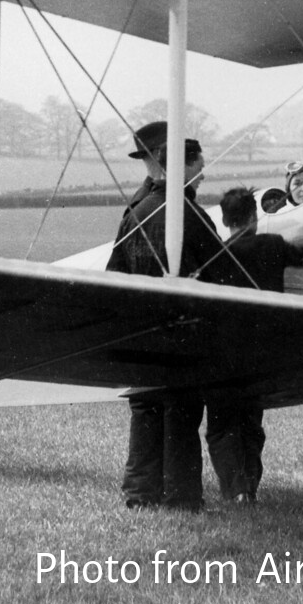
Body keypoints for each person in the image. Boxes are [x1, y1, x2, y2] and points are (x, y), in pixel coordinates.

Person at [198, 178, 303, 504]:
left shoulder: (215, 258)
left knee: (221, 428)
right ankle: (249, 487)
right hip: (263, 353)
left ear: (226, 220)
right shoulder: (272, 245)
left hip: (223, 354)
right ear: (254, 218)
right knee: (251, 424)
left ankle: (237, 491)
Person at [107, 121, 222, 511]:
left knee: (146, 411)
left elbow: (115, 273)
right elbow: (226, 272)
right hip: (180, 333)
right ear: (174, 162)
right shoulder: (183, 211)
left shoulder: (135, 208)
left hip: (140, 334)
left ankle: (140, 495)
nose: (203, 171)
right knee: (182, 412)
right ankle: (183, 497)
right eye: (198, 164)